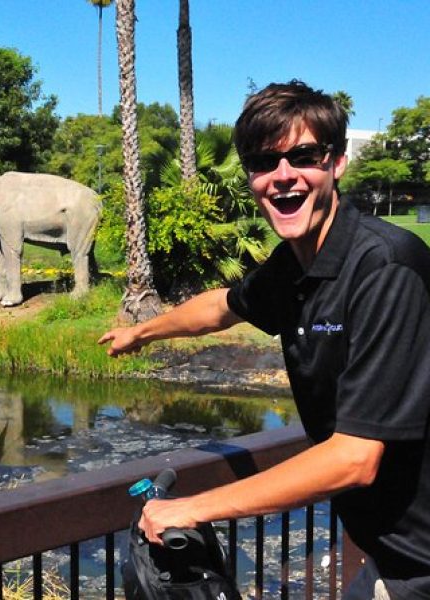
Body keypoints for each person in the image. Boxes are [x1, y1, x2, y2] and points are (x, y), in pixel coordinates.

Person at [98, 80, 430, 599]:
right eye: (262, 162)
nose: (282, 176)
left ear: (337, 162)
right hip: (390, 552)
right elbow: (222, 307)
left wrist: (192, 507)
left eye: (302, 156)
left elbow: (354, 457)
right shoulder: (295, 267)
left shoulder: (385, 268)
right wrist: (142, 331)